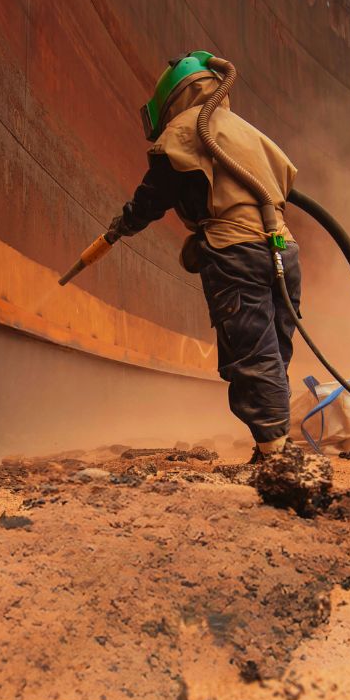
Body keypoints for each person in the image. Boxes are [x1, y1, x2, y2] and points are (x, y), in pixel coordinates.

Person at [107, 51, 302, 456]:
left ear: (172, 98)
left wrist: (125, 223)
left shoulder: (184, 130)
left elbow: (155, 193)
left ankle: (277, 458)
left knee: (252, 350)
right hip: (282, 248)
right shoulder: (244, 131)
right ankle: (275, 445)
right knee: (274, 348)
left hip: (237, 251)